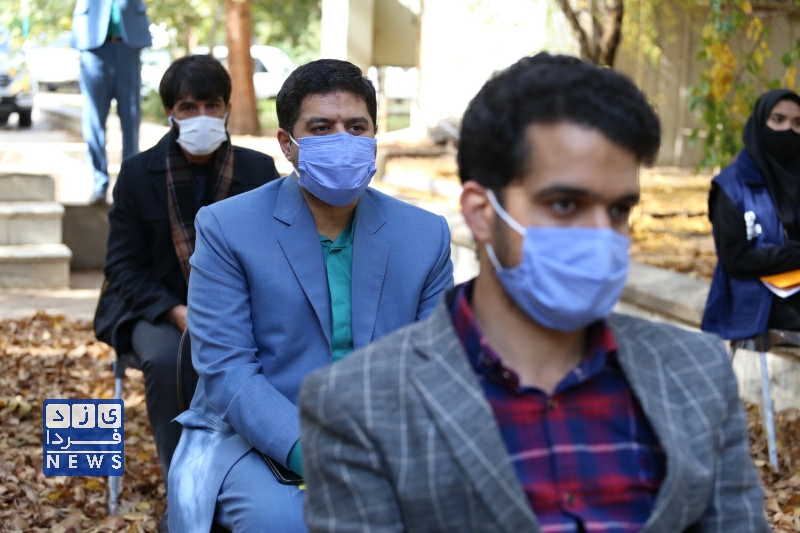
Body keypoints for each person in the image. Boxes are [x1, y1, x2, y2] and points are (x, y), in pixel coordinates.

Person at [299, 53, 770, 532]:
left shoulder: (697, 373)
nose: (600, 234)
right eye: (564, 204)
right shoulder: (359, 404)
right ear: (482, 213)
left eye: (618, 210)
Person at [167, 58, 454, 532]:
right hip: (256, 437)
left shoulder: (424, 235)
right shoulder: (227, 228)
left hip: (390, 439)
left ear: (375, 136)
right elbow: (228, 370)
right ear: (288, 144)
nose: (342, 139)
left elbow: (436, 366)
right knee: (289, 522)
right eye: (321, 128)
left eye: (356, 127)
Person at [95, 54, 280, 530]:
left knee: (266, 350)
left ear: (227, 108)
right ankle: (185, 487)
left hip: (242, 309)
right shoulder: (138, 173)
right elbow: (122, 265)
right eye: (188, 107)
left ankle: (250, 472)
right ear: (170, 114)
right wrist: (176, 310)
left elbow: (278, 253)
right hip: (156, 309)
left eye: (211, 105)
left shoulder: (259, 170)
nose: (201, 116)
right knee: (165, 360)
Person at [702, 89, 800, 340]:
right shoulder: (731, 186)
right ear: (759, 124)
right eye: (778, 119)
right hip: (752, 302)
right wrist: (794, 255)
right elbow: (736, 259)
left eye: (797, 123)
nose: (789, 130)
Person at [70, 0, 151, 205]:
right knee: (93, 121)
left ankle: (129, 185)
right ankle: (100, 183)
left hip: (128, 44)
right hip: (93, 46)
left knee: (131, 119)